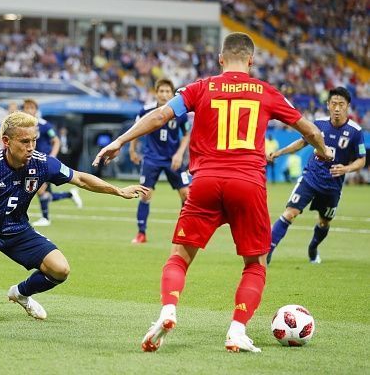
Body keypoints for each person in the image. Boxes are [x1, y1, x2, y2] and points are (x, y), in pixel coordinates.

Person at [93, 32, 332, 353]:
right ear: (251, 60)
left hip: (204, 183)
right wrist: (325, 151)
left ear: (221, 59)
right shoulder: (266, 92)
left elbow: (161, 114)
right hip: (247, 184)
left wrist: (119, 141)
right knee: (255, 264)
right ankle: (236, 330)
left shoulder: (201, 87)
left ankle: (167, 312)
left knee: (179, 257)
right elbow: (311, 129)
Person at [0, 111, 148, 329]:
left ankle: (21, 293)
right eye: (25, 142)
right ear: (7, 141)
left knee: (60, 270)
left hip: (18, 228)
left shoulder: (43, 163)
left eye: (33, 140)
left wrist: (118, 191)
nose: (31, 147)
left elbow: (81, 179)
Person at [266, 87, 366, 265]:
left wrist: (346, 169)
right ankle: (267, 253)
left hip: (332, 186)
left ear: (347, 106)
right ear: (327, 105)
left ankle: (313, 249)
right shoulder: (318, 124)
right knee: (290, 213)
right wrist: (280, 152)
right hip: (311, 178)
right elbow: (302, 142)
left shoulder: (355, 131)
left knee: (323, 222)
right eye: (333, 104)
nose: (337, 108)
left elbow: (361, 160)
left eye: (341, 104)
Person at [128, 78, 191, 244]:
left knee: (187, 194)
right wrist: (132, 149)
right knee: (145, 194)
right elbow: (135, 130)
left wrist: (179, 154)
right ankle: (141, 233)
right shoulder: (145, 110)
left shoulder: (180, 112)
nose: (164, 94)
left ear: (172, 94)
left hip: (173, 159)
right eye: (161, 91)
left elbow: (186, 135)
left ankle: (184, 232)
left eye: (167, 91)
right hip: (152, 159)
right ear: (156, 93)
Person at [22, 98, 82, 227]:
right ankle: (69, 194)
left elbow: (56, 141)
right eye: (26, 108)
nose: (28, 110)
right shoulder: (22, 126)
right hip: (31, 162)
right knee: (44, 193)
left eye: (31, 108)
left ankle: (45, 218)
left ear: (36, 110)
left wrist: (52, 157)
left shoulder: (44, 125)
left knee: (39, 190)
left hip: (43, 162)